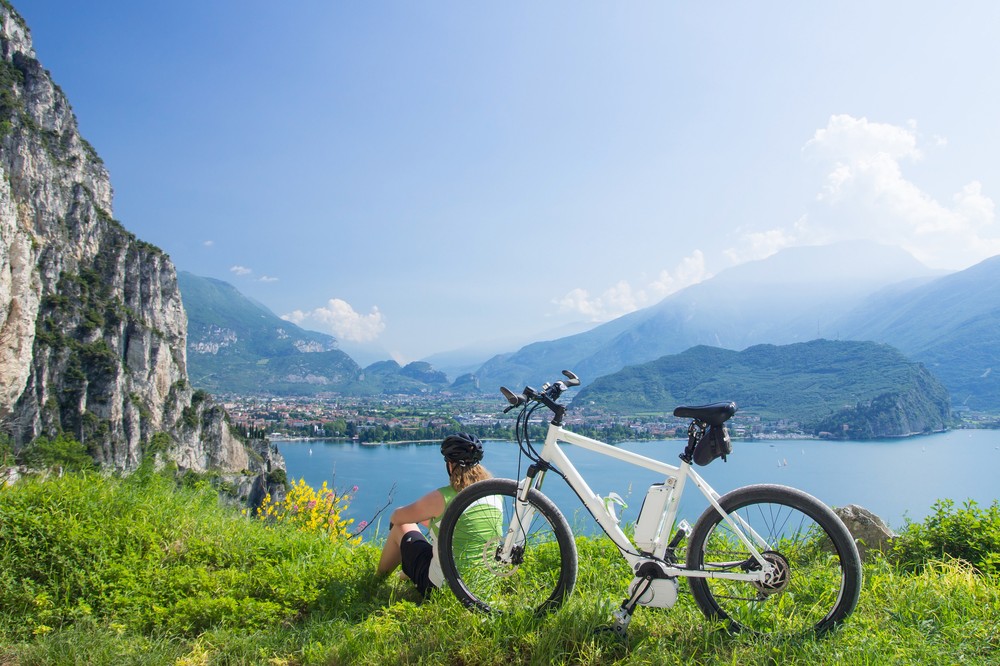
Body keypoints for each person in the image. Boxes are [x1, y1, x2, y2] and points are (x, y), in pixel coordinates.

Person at [376, 432, 500, 596]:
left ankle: (376, 580)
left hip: (441, 588)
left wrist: (423, 516)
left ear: (450, 465)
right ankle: (406, 574)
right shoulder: (494, 494)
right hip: (481, 586)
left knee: (401, 526)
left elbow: (396, 517)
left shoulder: (442, 497)